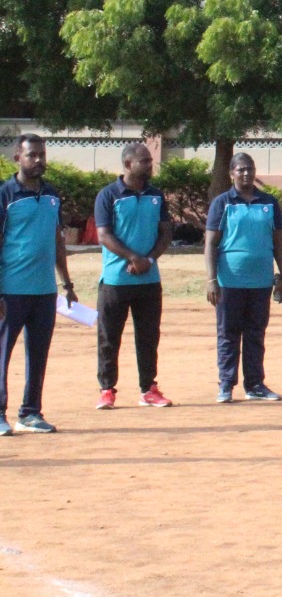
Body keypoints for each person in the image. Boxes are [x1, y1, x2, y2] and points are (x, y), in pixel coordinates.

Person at [0, 135, 77, 435]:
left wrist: (66, 282)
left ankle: (30, 413)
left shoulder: (52, 195)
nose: (39, 160)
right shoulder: (6, 194)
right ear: (17, 158)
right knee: (3, 353)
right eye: (32, 155)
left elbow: (57, 241)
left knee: (38, 353)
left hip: (45, 291)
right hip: (11, 289)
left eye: (42, 154)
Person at [93, 141, 174, 410]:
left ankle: (148, 389)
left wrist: (148, 260)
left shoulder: (156, 196)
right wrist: (132, 258)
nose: (150, 165)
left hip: (149, 280)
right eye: (145, 161)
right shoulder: (108, 195)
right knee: (109, 337)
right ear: (128, 164)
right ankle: (107, 390)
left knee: (149, 336)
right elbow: (104, 235)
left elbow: (166, 232)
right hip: (116, 280)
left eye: (150, 160)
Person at [204, 153, 282, 403]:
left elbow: (278, 242)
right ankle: (225, 385)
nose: (246, 174)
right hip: (229, 280)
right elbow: (211, 244)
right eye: (241, 169)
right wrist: (211, 280)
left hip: (261, 281)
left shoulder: (269, 202)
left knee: (255, 333)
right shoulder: (223, 203)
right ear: (231, 173)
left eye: (250, 169)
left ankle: (254, 385)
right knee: (228, 334)